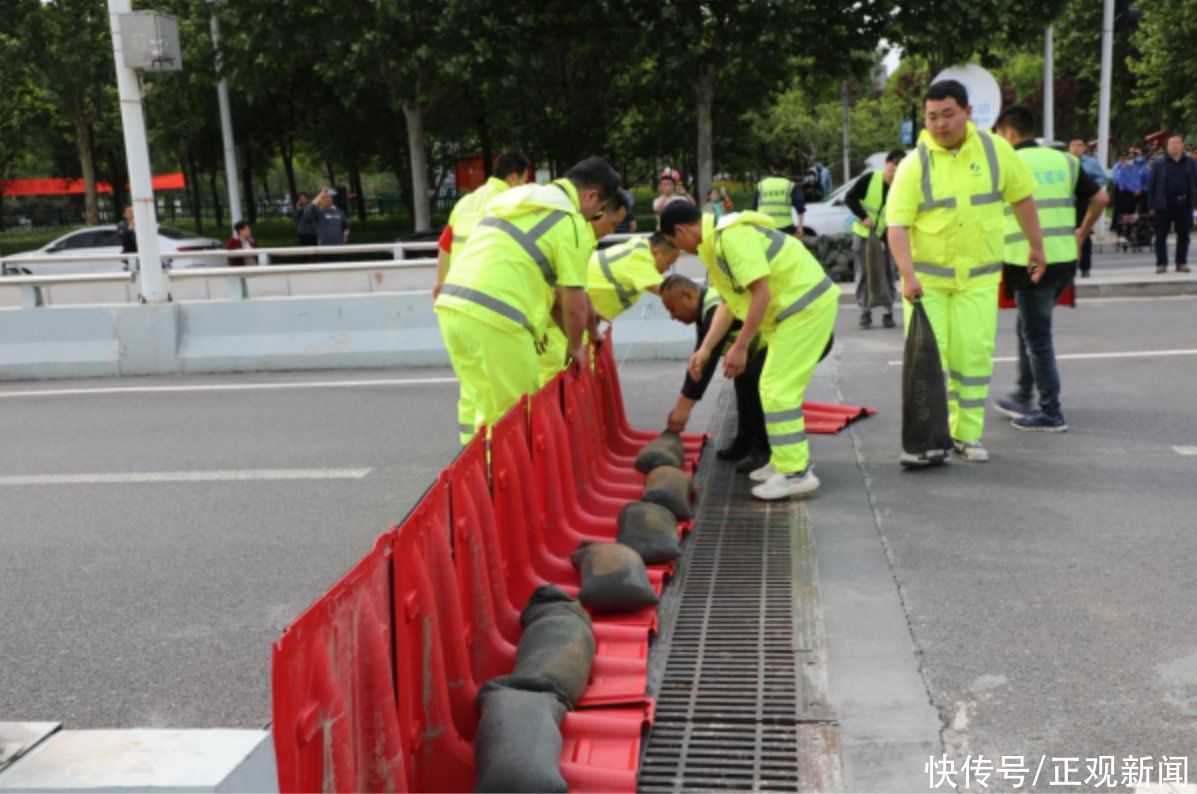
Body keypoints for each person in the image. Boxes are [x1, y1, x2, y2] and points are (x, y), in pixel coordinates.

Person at [886, 79, 1045, 467]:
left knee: (972, 359)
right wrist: (907, 275)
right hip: (927, 284)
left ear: (968, 112)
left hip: (978, 279)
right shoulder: (915, 163)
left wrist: (1036, 246)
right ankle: (925, 442)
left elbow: (1022, 197)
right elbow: (897, 225)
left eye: (948, 114)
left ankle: (966, 435)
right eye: (932, 117)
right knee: (927, 362)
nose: (940, 124)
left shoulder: (996, 151)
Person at [660, 200, 838, 501]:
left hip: (804, 308)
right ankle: (784, 463)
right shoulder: (712, 245)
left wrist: (741, 346)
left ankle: (796, 473)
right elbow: (730, 303)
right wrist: (705, 349)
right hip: (792, 312)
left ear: (680, 230)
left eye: (675, 242)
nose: (680, 250)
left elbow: (761, 293)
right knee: (768, 385)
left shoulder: (730, 238)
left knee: (778, 389)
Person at [435, 156, 619, 444]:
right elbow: (572, 299)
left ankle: (485, 482)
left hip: (453, 309)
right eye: (599, 211)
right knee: (519, 419)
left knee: (487, 412)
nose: (594, 217)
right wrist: (576, 348)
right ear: (591, 196)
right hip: (497, 318)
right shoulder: (569, 222)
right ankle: (507, 486)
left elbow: (556, 297)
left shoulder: (522, 197)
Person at [993, 104, 1108, 433]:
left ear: (1010, 133)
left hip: (1028, 263)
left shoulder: (1007, 163)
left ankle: (1050, 410)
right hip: (1063, 261)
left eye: (1000, 134)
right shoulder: (1066, 161)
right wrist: (1082, 232)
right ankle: (1024, 393)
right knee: (1029, 329)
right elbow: (1100, 198)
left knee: (1037, 337)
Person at [660, 274, 770, 473]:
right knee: (743, 386)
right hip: (754, 351)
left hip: (768, 346)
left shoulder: (711, 309)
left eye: (672, 309)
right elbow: (699, 356)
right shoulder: (705, 308)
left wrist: (683, 409)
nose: (672, 316)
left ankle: (763, 450)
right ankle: (744, 442)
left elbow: (706, 364)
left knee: (752, 387)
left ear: (688, 296)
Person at [536, 189, 631, 385]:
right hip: (540, 324)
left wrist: (590, 318)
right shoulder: (581, 236)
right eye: (613, 224)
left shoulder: (577, 232)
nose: (612, 232)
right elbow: (565, 293)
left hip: (542, 321)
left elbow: (577, 289)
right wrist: (577, 345)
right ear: (600, 211)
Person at [433, 151, 531, 299]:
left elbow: (445, 247)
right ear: (512, 178)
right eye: (524, 182)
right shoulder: (513, 205)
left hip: (457, 294)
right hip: (493, 296)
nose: (525, 187)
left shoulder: (465, 202)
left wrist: (441, 284)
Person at [846, 149, 905, 328]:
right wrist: (864, 217)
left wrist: (885, 240)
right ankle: (865, 312)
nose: (895, 168)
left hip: (887, 237)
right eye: (893, 163)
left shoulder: (902, 187)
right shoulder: (870, 179)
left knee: (888, 272)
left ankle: (888, 312)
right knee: (865, 274)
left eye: (900, 165)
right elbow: (851, 198)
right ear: (887, 163)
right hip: (864, 235)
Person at [1147, 134, 1197, 273]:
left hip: (1184, 203)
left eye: (1176, 144)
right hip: (1164, 204)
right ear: (1167, 147)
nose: (1173, 146)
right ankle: (1161, 264)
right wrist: (1151, 205)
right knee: (1161, 235)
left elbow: (1194, 182)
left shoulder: (1190, 162)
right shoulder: (1159, 163)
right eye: (1171, 144)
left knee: (1184, 235)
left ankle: (1181, 263)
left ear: (1182, 145)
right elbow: (1151, 185)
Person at [1069, 139, 1107, 278]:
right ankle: (1070, 267)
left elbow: (1101, 179)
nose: (1076, 148)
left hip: (1084, 201)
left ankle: (1085, 267)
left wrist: (1089, 188)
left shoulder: (1091, 163)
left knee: (1083, 233)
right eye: (1073, 145)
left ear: (1084, 148)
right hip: (1067, 203)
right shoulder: (1065, 162)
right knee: (1069, 235)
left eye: (1079, 145)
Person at [753, 157, 805, 237]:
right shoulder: (790, 185)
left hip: (764, 228)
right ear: (786, 169)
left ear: (771, 168)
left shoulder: (761, 185)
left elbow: (754, 209)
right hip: (786, 229)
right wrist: (800, 227)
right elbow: (800, 209)